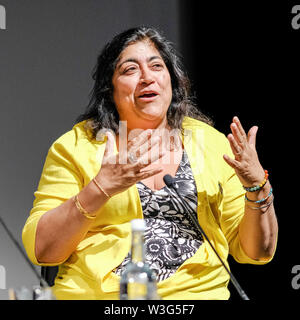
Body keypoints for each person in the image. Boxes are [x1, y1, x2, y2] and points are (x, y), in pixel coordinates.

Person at [22, 26, 278, 300]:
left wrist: (257, 188)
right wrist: (100, 188)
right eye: (130, 70)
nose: (147, 78)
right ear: (110, 88)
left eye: (157, 66)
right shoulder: (77, 147)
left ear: (172, 80)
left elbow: (256, 252)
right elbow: (43, 250)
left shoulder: (211, 144)